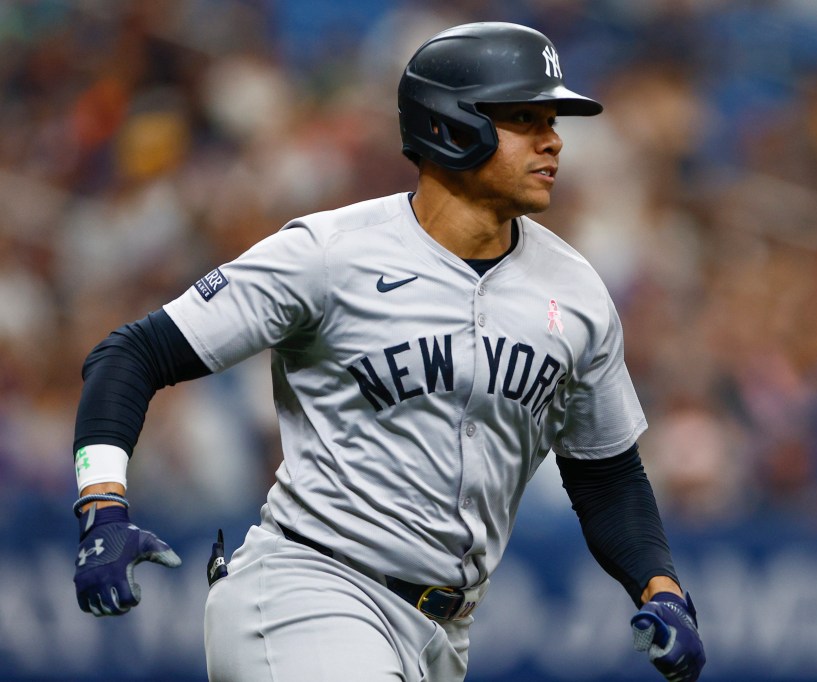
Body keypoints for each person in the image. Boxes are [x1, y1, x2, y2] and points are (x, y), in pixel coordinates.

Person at [71, 21, 706, 682]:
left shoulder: (575, 289)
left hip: (443, 634)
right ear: (451, 125)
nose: (554, 140)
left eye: (552, 119)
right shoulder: (330, 253)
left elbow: (606, 471)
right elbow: (129, 355)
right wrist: (102, 504)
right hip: (308, 593)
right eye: (525, 118)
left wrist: (659, 587)